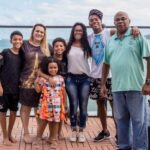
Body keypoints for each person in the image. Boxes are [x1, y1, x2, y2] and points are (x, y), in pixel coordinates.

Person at [88, 9, 140, 142]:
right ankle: (105, 131)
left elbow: (124, 30)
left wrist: (134, 27)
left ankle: (119, 133)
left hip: (111, 76)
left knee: (115, 106)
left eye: (96, 19)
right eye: (91, 20)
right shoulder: (89, 38)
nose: (94, 21)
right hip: (95, 75)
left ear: (101, 20)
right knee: (100, 105)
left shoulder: (109, 32)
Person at [101, 11, 150, 150]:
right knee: (121, 121)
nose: (120, 21)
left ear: (129, 21)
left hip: (136, 88)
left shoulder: (137, 36)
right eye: (117, 19)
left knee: (139, 122)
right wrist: (103, 85)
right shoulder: (111, 41)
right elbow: (106, 64)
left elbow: (149, 58)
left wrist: (148, 82)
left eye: (123, 19)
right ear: (114, 23)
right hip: (117, 88)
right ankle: (124, 147)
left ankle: (140, 148)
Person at [19, 23, 52, 143]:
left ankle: (39, 133)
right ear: (33, 31)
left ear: (44, 34)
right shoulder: (24, 45)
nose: (39, 33)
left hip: (42, 83)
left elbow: (53, 62)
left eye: (42, 32)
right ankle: (26, 133)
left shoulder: (47, 47)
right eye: (37, 31)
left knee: (39, 109)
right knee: (25, 107)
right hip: (26, 81)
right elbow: (14, 55)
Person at [65, 22, 91, 142]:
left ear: (84, 32)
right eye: (76, 30)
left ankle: (81, 131)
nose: (78, 32)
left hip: (85, 78)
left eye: (80, 30)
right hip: (71, 79)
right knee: (73, 105)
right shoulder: (68, 45)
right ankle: (73, 130)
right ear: (73, 32)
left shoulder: (87, 45)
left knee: (84, 106)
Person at [34, 56, 67, 149]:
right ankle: (38, 139)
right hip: (46, 105)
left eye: (55, 67)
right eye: (51, 68)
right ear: (47, 68)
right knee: (43, 122)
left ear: (58, 68)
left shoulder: (60, 78)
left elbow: (63, 91)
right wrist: (36, 82)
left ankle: (53, 140)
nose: (53, 69)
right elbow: (37, 90)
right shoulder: (43, 79)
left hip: (57, 105)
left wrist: (65, 104)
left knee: (55, 122)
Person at [0, 31, 23, 145]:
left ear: (22, 41)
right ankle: (4, 137)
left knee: (14, 112)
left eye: (20, 39)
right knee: (2, 112)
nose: (17, 41)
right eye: (15, 39)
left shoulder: (22, 56)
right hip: (3, 90)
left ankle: (10, 134)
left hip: (16, 90)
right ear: (11, 41)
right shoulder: (5, 52)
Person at [52, 37, 68, 139]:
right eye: (56, 46)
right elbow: (42, 71)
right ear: (53, 47)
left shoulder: (67, 58)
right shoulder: (50, 59)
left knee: (62, 109)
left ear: (65, 47)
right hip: (53, 88)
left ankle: (59, 132)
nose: (59, 48)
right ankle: (52, 133)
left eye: (61, 46)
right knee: (52, 111)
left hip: (65, 87)